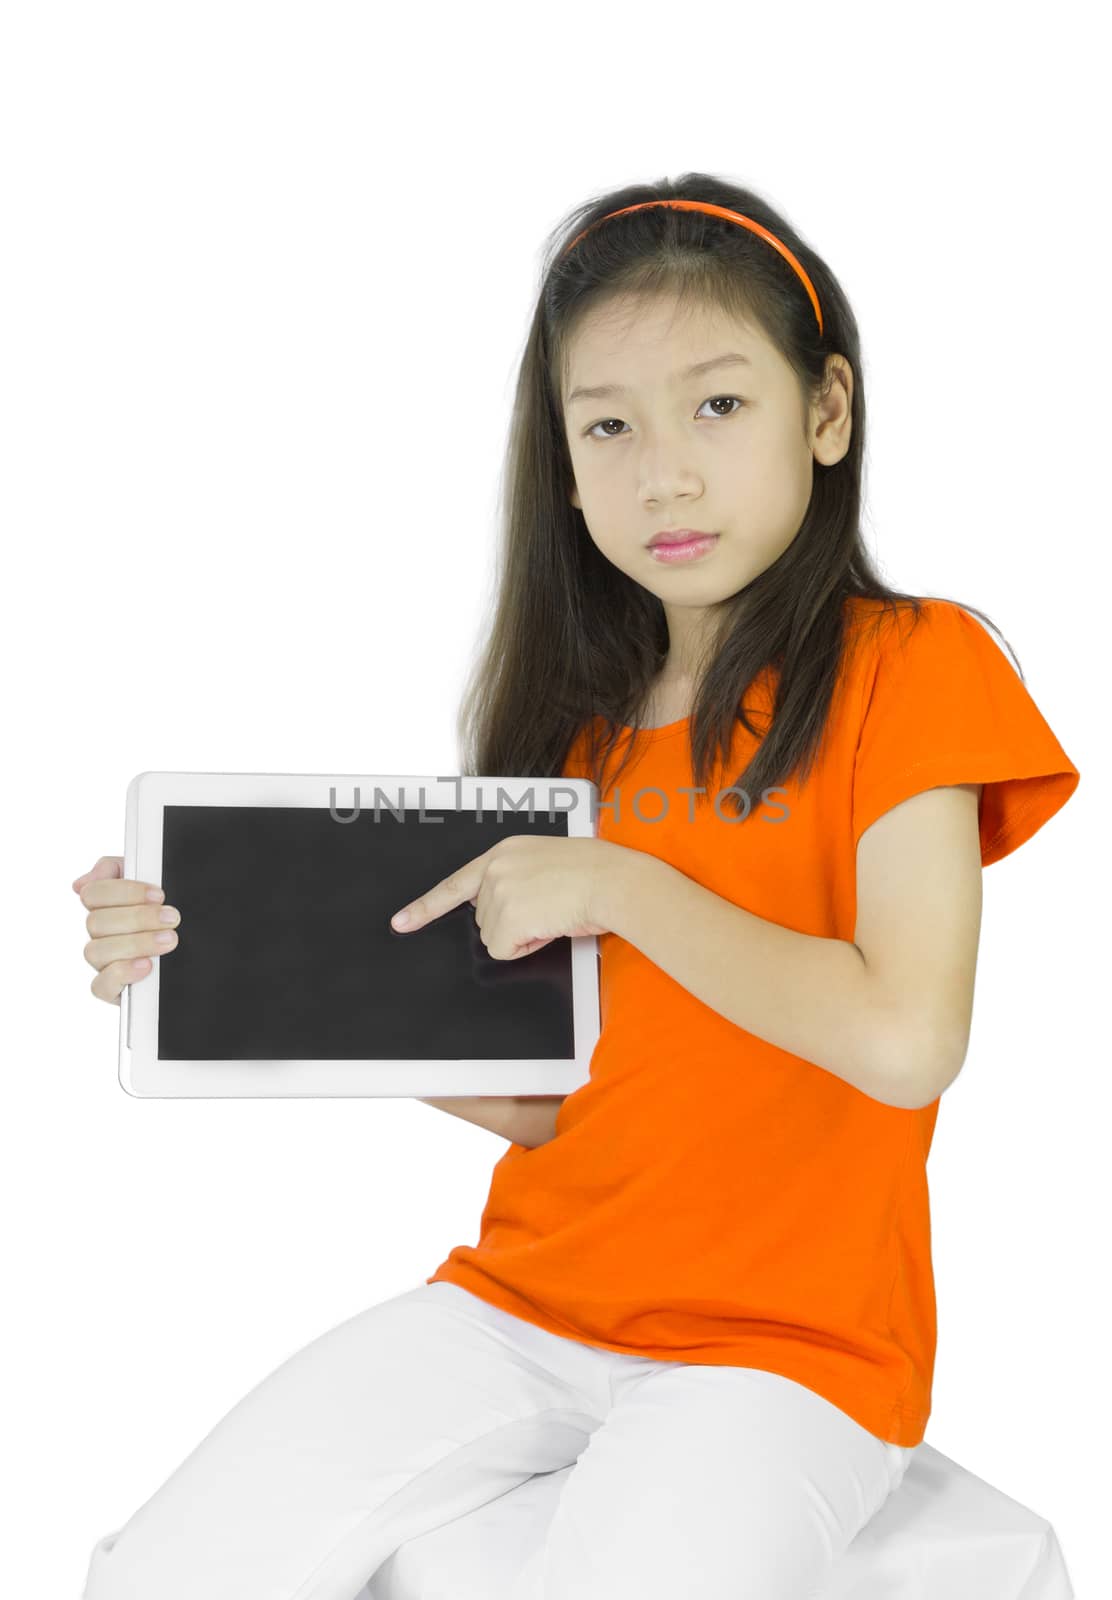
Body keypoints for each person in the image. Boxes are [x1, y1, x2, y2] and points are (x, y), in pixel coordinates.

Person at [73, 174, 1081, 1600]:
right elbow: (558, 1092)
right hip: (525, 1304)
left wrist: (624, 884)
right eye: (607, 425)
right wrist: (222, 965)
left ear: (828, 413)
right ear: (562, 460)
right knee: (165, 1570)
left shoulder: (915, 668)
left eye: (718, 406)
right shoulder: (574, 728)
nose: (663, 471)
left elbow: (908, 1039)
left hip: (787, 1351)